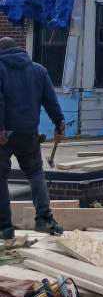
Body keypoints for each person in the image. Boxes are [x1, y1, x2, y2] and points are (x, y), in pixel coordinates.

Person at [0, 36, 65, 244]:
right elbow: (50, 100)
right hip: (29, 133)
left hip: (3, 134)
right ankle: (44, 220)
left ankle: (4, 228)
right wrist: (59, 123)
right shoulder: (38, 70)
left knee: (1, 177)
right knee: (35, 173)